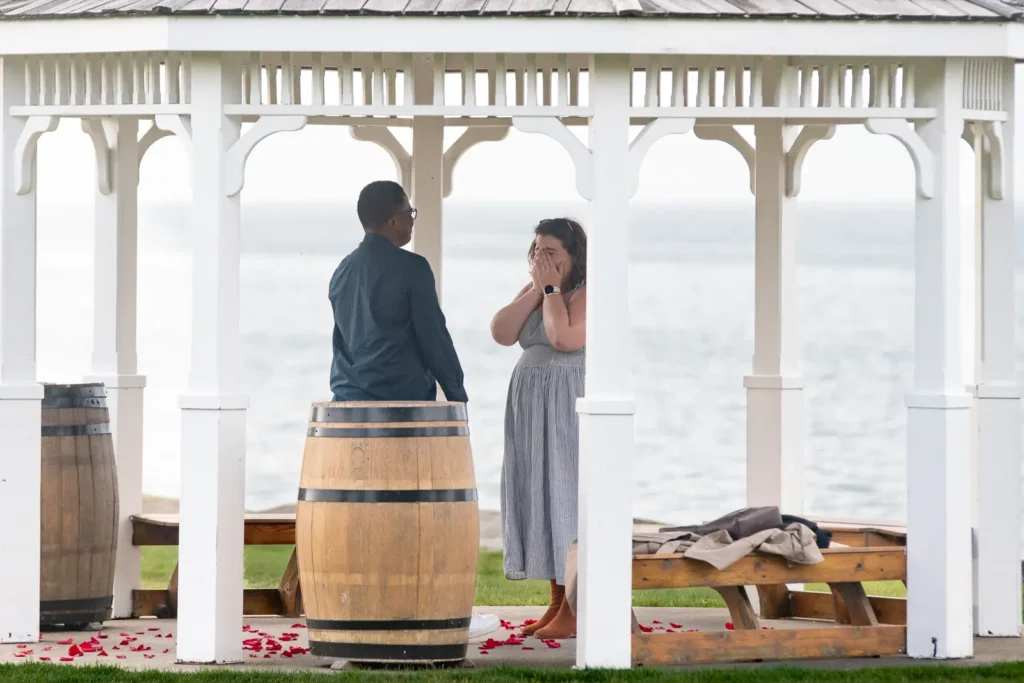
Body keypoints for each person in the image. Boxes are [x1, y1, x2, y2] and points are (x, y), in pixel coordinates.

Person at [489, 218, 587, 639]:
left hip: (565, 404)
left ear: (574, 258)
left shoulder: (585, 294)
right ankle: (555, 601)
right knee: (540, 493)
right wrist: (536, 287)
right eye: (536, 252)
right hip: (530, 410)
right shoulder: (535, 291)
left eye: (551, 254)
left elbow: (562, 337)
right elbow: (502, 332)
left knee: (564, 492)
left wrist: (550, 292)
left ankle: (574, 607)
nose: (541, 260)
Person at [328, 180, 467, 404]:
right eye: (409, 212)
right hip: (401, 406)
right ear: (393, 221)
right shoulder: (413, 268)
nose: (412, 219)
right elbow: (433, 339)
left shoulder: (342, 270)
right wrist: (457, 397)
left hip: (346, 405)